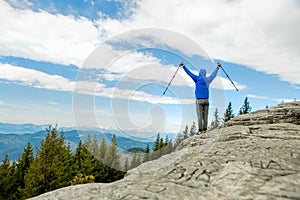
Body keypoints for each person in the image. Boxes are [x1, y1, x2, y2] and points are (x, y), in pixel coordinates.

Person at [180, 61, 221, 134]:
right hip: (206, 100)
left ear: (199, 73)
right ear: (205, 73)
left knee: (199, 116)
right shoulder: (208, 79)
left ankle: (200, 130)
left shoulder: (197, 78)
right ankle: (205, 130)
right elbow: (213, 74)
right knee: (205, 116)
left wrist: (183, 66)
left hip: (199, 100)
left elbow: (189, 73)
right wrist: (217, 67)